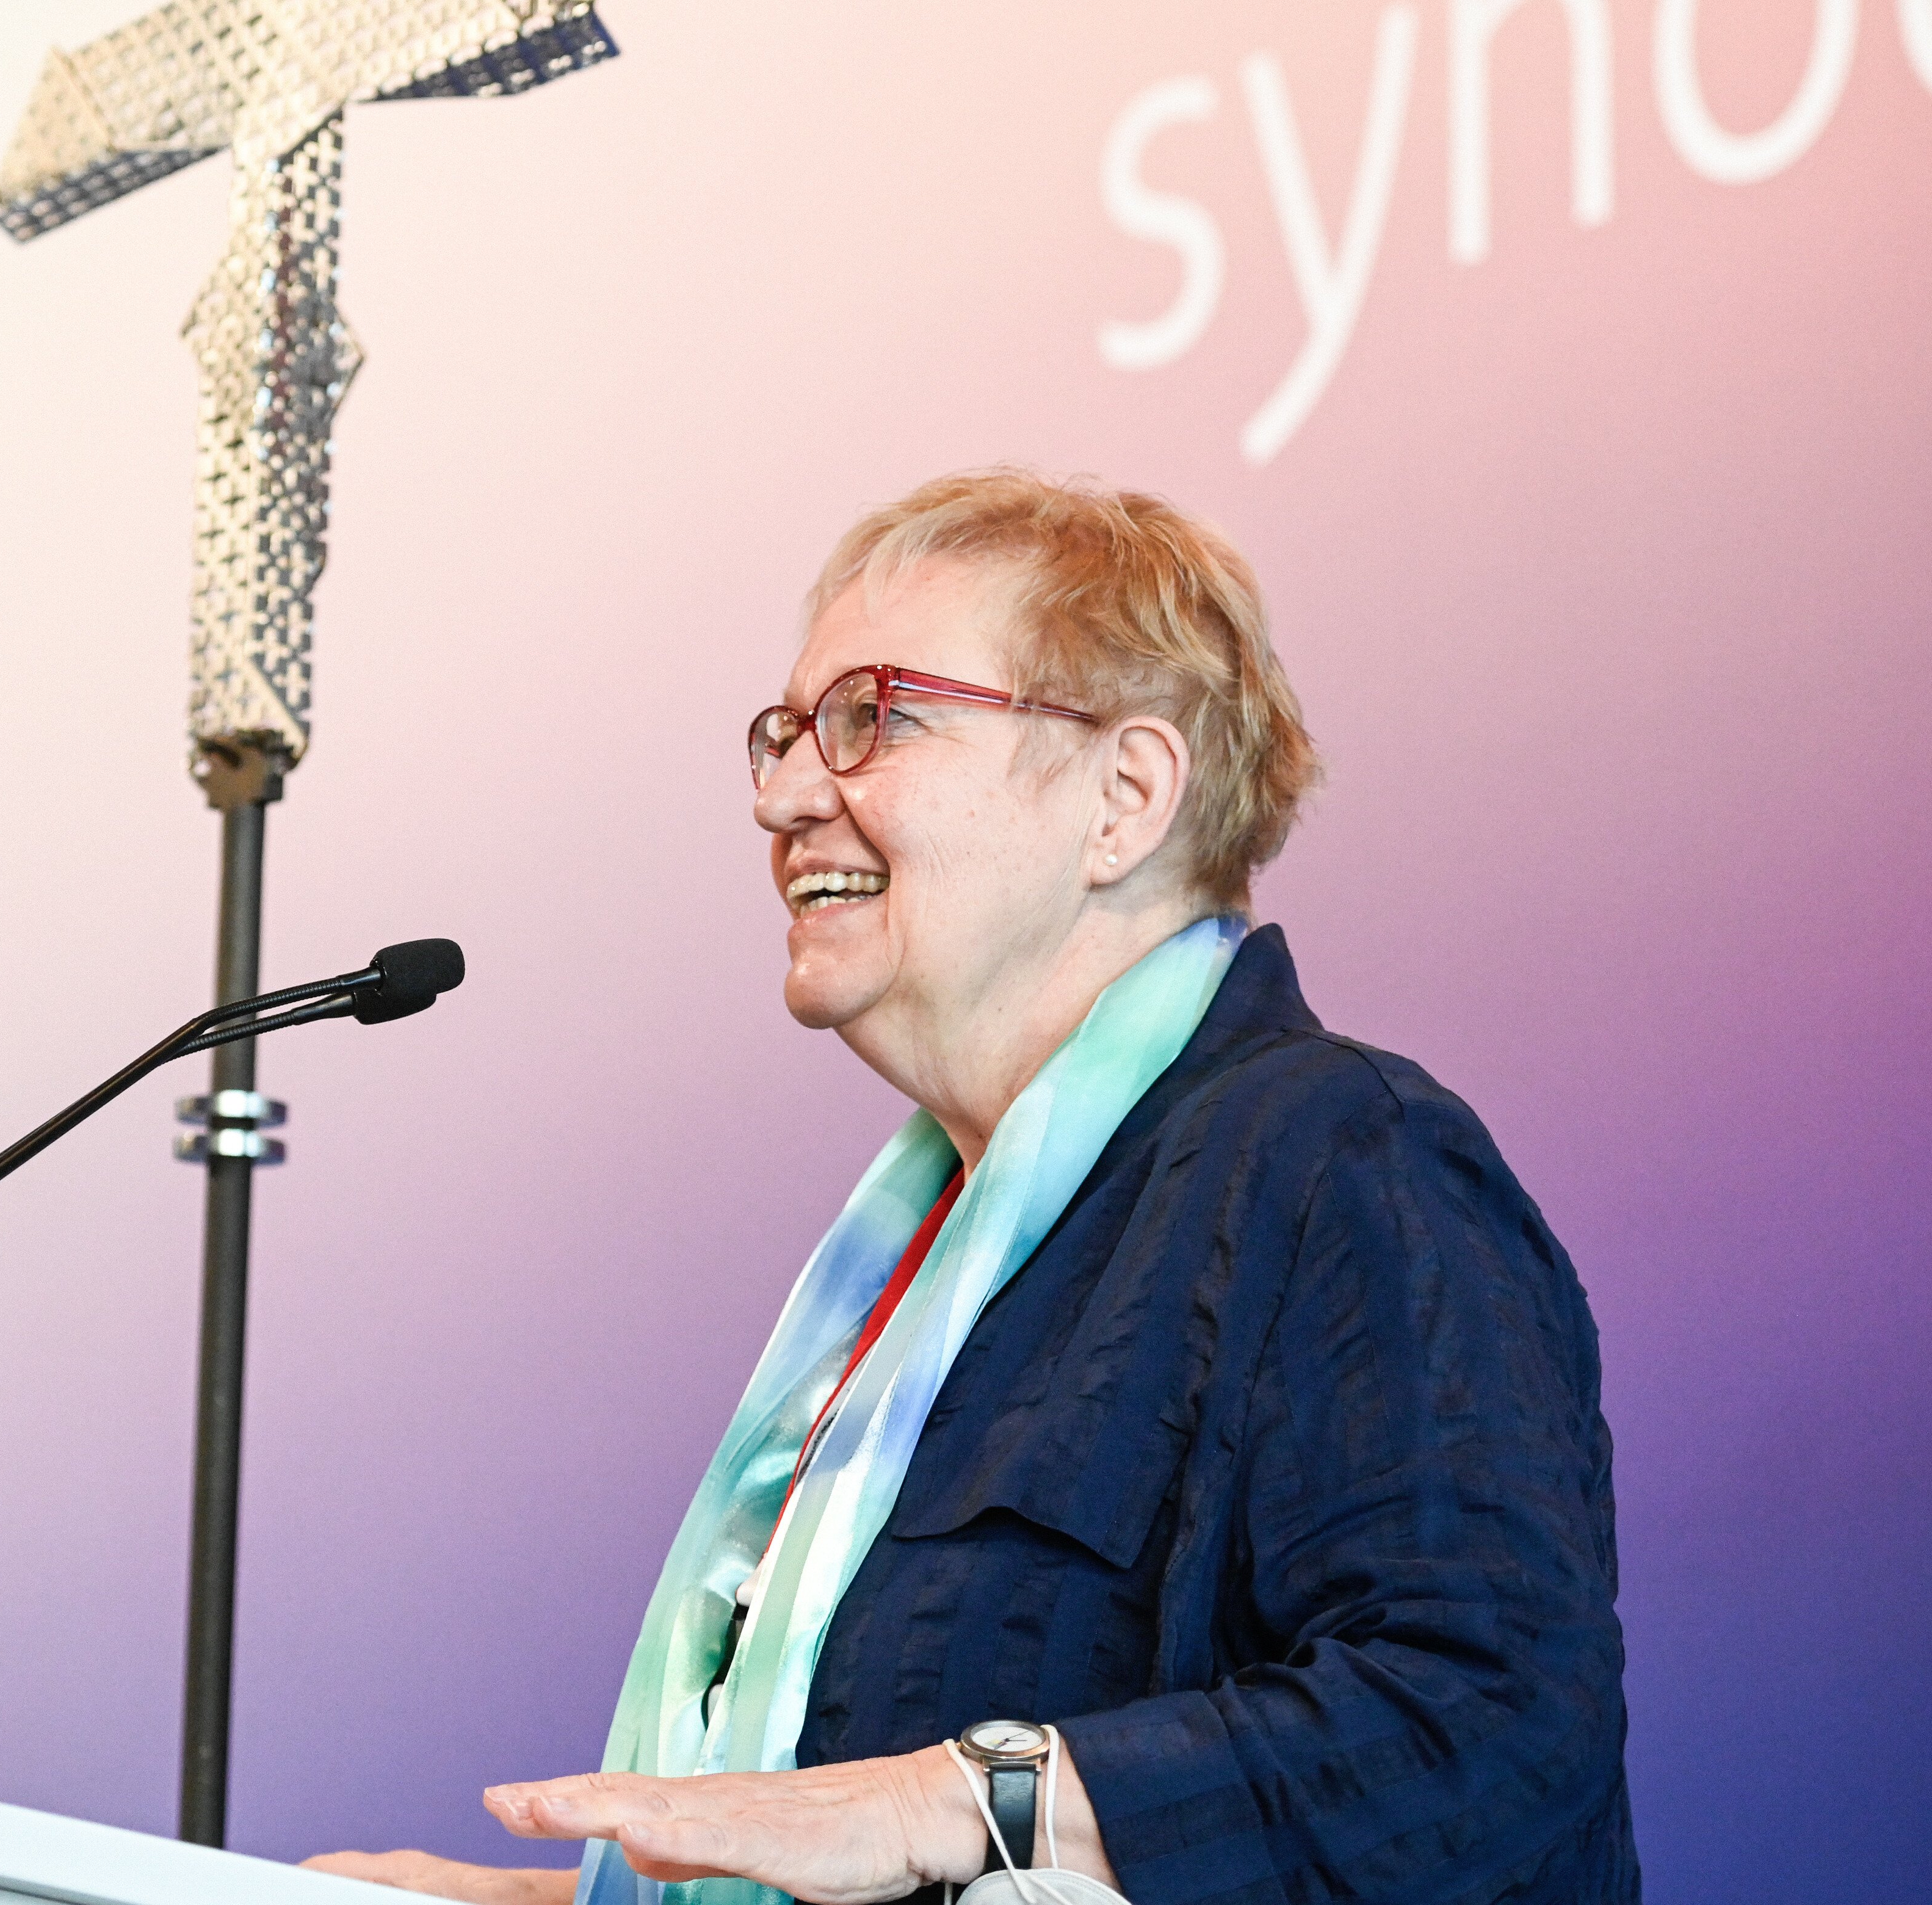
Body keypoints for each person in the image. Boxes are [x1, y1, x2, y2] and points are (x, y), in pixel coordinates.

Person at [312, 470, 1632, 1905]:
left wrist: (960, 1793)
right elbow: (872, 1853)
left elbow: (1484, 1728)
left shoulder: (1338, 1155)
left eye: (873, 718)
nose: (784, 795)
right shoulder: (923, 1269)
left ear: (1123, 795)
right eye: (784, 734)